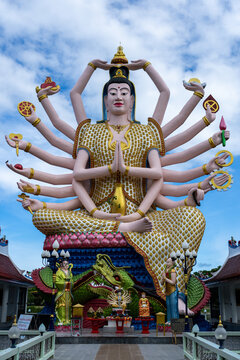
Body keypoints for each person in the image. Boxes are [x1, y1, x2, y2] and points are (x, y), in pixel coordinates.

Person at [6, 47, 230, 298]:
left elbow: (157, 175)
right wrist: (91, 66)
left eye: (124, 92)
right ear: (104, 99)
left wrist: (146, 66)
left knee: (193, 218)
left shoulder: (146, 131)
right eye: (112, 92)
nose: (118, 96)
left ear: (133, 99)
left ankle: (174, 292)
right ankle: (124, 228)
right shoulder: (90, 131)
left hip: (143, 213)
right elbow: (77, 175)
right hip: (95, 213)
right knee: (42, 218)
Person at [55, 260, 73, 326]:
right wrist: (65, 283)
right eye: (65, 264)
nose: (67, 265)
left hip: (68, 292)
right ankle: (61, 320)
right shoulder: (58, 272)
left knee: (69, 306)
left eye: (67, 263)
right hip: (62, 292)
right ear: (61, 265)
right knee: (62, 305)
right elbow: (57, 282)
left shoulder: (70, 272)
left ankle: (68, 320)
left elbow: (72, 282)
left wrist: (70, 283)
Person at [161, 258, 179, 323]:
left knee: (173, 306)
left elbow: (173, 282)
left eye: (168, 262)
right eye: (166, 262)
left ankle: (174, 321)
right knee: (168, 306)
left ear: (172, 263)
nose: (167, 263)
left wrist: (165, 278)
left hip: (173, 290)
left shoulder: (173, 271)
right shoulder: (165, 271)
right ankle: (168, 320)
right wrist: (163, 279)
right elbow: (162, 283)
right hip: (167, 291)